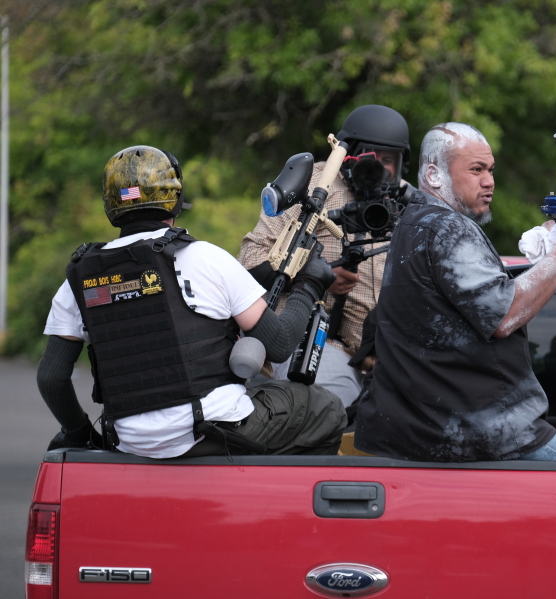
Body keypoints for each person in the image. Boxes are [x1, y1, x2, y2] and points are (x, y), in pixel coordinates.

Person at [36, 145, 347, 459]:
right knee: (326, 409)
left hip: (128, 441)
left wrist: (79, 433)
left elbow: (51, 377)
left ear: (112, 206)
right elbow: (280, 343)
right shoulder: (205, 258)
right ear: (174, 200)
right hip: (211, 430)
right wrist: (309, 284)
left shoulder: (79, 278)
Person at [353, 122, 556, 462]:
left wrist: (552, 253)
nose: (489, 180)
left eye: (490, 170)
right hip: (485, 433)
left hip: (423, 432)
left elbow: (475, 295)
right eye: (475, 170)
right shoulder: (448, 227)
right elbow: (504, 315)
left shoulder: (415, 220)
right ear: (434, 175)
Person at [238, 104, 413, 407]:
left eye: (390, 161)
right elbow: (249, 258)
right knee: (326, 403)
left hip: (385, 354)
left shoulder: (410, 200)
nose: (381, 171)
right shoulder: (313, 187)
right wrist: (315, 274)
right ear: (349, 156)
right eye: (373, 160)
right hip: (313, 341)